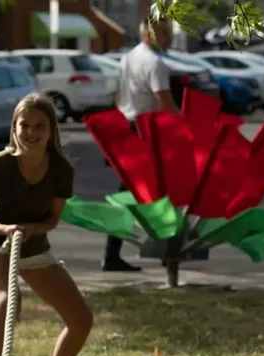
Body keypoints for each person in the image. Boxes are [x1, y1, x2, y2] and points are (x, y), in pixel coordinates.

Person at [0, 93, 93, 356]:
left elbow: (52, 219)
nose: (31, 132)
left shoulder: (61, 170)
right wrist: (7, 229)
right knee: (7, 301)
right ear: (14, 127)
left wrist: (32, 230)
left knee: (81, 319)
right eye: (24, 125)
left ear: (52, 130)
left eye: (39, 125)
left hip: (34, 246)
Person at [103, 18, 180, 272]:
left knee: (127, 195)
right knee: (158, 195)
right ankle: (168, 253)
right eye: (164, 32)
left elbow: (118, 95)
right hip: (145, 133)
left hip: (125, 129)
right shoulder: (156, 63)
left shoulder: (128, 58)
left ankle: (112, 254)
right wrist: (184, 125)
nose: (168, 38)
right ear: (150, 33)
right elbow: (165, 103)